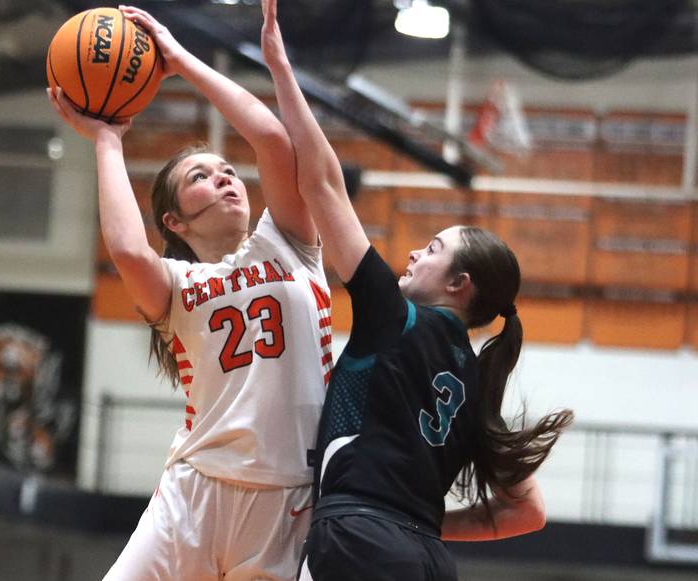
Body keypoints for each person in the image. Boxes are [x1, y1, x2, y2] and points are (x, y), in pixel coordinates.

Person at [259, 1, 575, 579]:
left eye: (431, 249)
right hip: (428, 559)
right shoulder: (479, 383)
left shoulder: (395, 317)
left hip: (356, 541)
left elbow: (323, 182)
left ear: (459, 284)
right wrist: (423, 524)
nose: (412, 253)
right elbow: (527, 512)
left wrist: (279, 66)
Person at [48, 5, 333, 580]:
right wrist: (107, 139)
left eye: (226, 169)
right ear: (175, 222)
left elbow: (274, 140)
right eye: (199, 177)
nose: (224, 177)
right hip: (194, 489)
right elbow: (128, 251)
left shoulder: (291, 244)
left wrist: (181, 61)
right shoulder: (178, 287)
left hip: (288, 498)